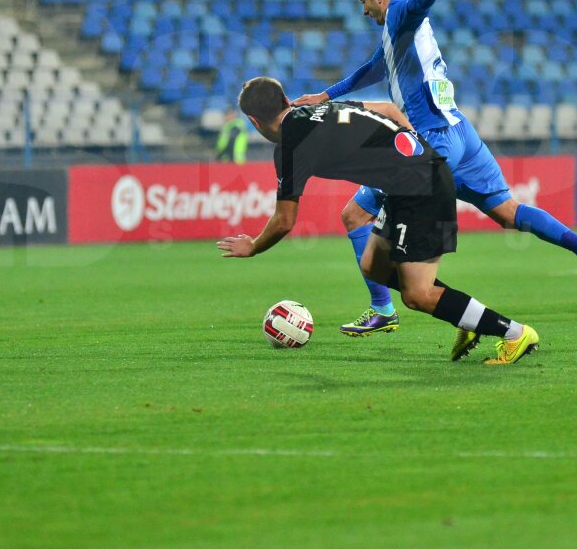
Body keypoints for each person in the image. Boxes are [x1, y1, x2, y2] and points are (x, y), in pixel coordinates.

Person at [293, 0, 577, 337]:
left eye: (363, 0)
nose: (363, 9)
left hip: (431, 141)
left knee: (354, 216)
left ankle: (385, 309)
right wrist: (325, 95)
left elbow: (415, 3)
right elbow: (370, 69)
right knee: (508, 212)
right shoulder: (395, 36)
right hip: (461, 133)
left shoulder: (400, 11)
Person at [220, 77, 539, 365]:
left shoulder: (290, 147)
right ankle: (467, 318)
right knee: (374, 264)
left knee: (417, 295)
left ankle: (515, 333)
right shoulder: (320, 109)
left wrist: (254, 246)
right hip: (410, 181)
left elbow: (284, 220)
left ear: (253, 121)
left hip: (420, 187)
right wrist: (415, 146)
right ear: (287, 101)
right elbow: (387, 109)